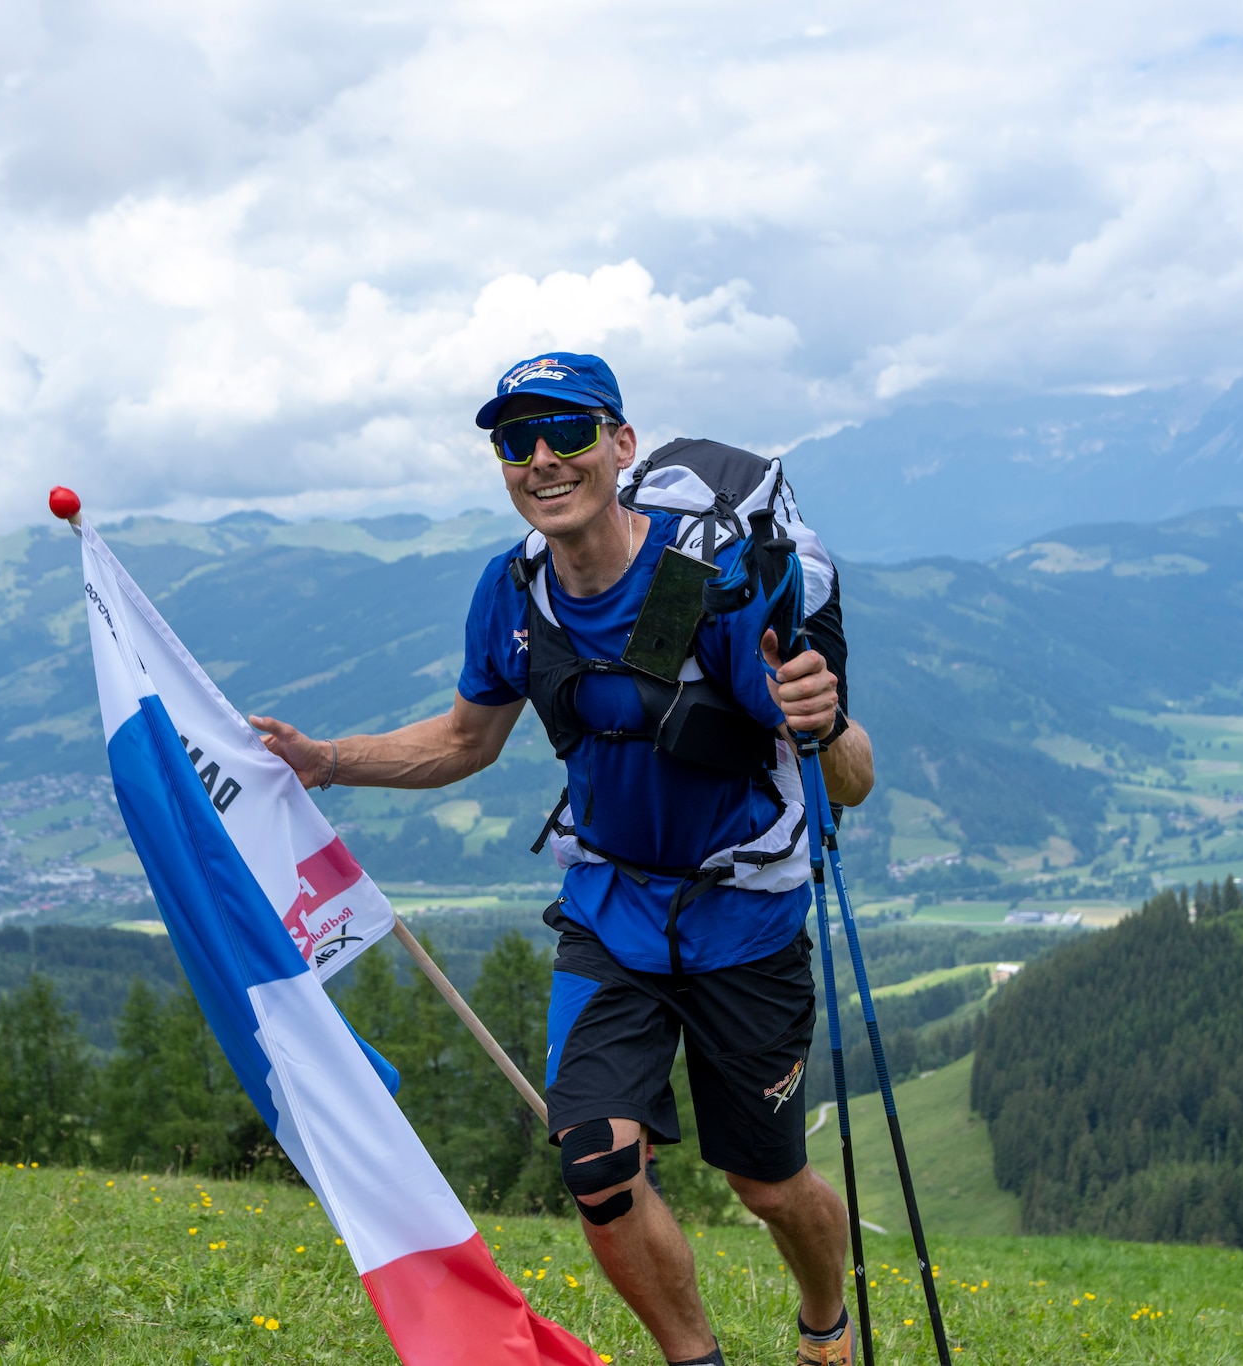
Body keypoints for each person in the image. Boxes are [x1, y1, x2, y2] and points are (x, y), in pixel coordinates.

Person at [251, 353, 874, 1366]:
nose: (540, 457)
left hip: (743, 923)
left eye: (567, 432)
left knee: (764, 1183)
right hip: (608, 914)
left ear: (619, 446)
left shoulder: (707, 589)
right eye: (514, 440)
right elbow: (463, 740)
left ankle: (824, 1323)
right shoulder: (513, 592)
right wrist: (322, 761)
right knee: (595, 1164)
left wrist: (828, 715)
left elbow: (845, 775)